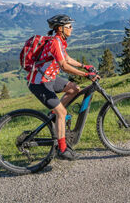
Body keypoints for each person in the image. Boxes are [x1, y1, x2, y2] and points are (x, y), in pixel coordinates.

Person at [27, 14, 100, 160]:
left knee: (74, 89)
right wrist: (86, 75)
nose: (72, 29)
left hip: (50, 78)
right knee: (62, 112)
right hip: (39, 83)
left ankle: (54, 115)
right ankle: (62, 149)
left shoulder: (60, 41)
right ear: (60, 29)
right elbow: (64, 66)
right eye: (69, 26)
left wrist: (84, 66)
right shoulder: (55, 42)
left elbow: (66, 58)